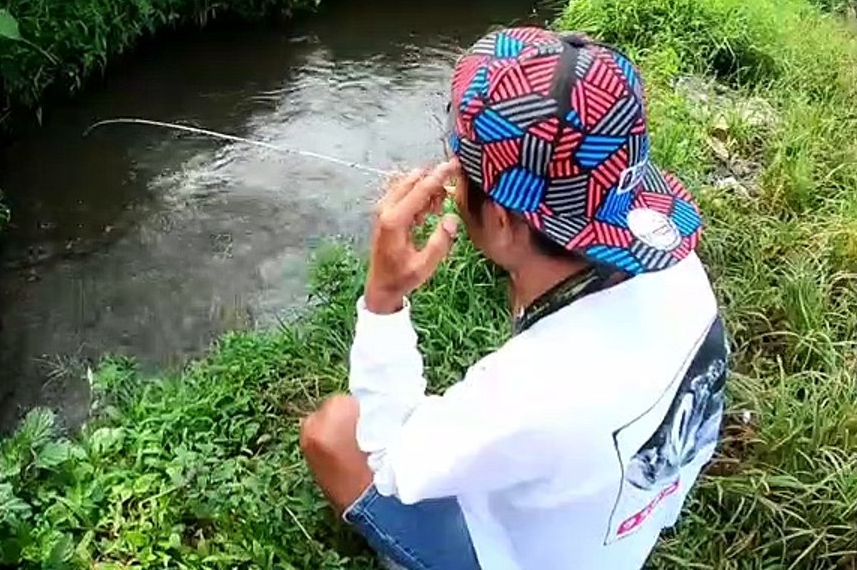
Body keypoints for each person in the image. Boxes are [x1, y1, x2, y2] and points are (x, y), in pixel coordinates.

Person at [299, 28, 728, 570]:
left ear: (503, 221)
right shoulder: (682, 273)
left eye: (461, 174)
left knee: (334, 430)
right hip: (621, 532)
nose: (453, 185)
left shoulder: (528, 391)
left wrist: (384, 295)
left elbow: (391, 460)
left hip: (522, 554)